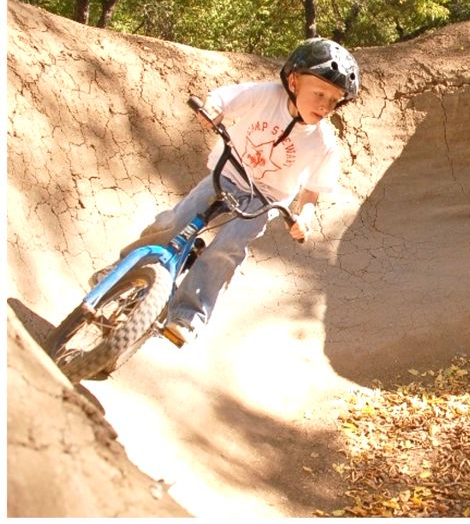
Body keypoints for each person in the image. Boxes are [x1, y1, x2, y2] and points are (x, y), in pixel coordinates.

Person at [94, 38, 360, 347]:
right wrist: (212, 110)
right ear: (293, 81)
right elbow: (222, 99)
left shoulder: (323, 143)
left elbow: (312, 191)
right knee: (176, 223)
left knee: (227, 248)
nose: (325, 105)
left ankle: (187, 316)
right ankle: (122, 271)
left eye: (334, 100)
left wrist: (304, 218)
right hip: (228, 174)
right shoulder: (265, 96)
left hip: (265, 199)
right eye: (319, 93)